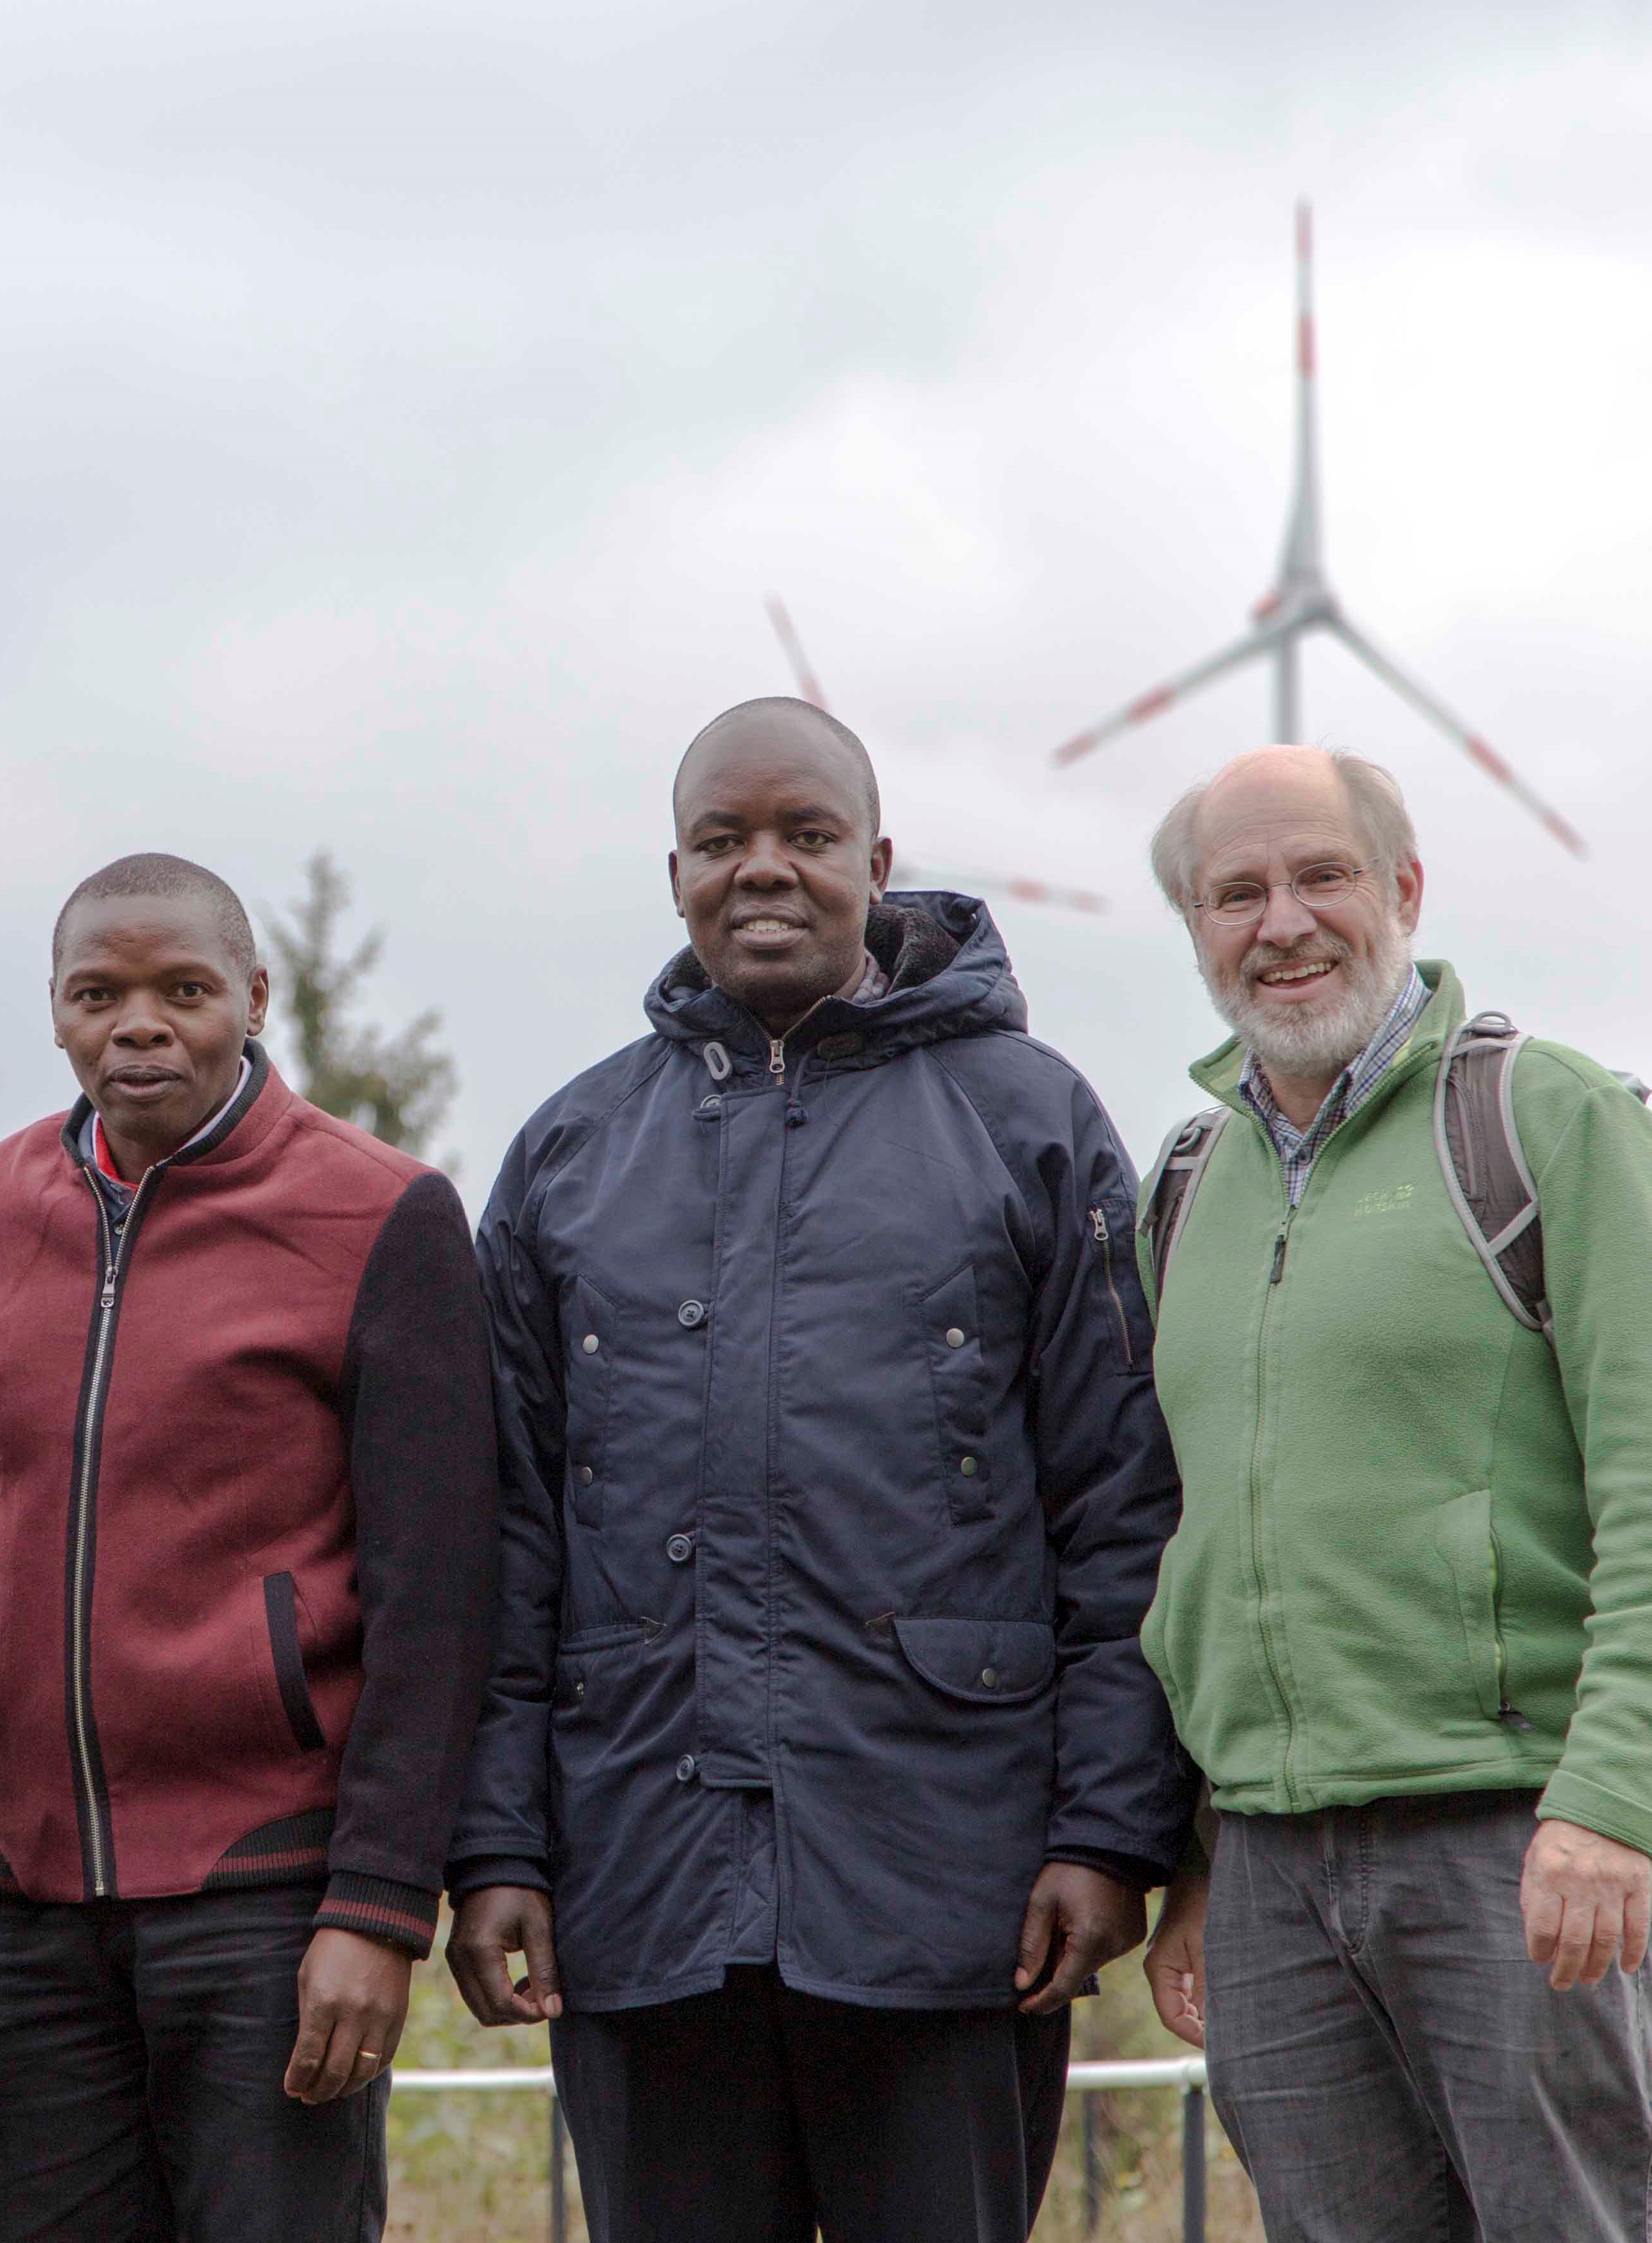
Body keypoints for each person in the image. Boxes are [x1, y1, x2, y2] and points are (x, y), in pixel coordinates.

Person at [446, 700, 1192, 2243]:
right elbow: (505, 1537)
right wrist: (497, 1845)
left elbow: (1123, 1507)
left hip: (949, 1881)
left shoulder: (1029, 1121)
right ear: (674, 873)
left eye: (806, 836)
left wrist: (1108, 1832)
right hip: (637, 1879)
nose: (764, 870)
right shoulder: (571, 1154)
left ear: (880, 861)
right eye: (724, 842)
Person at [1130, 746, 1652, 2242]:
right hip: (1270, 1869)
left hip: (1517, 1840)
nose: (1283, 923)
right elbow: (1203, 1542)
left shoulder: (1552, 1123)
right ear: (1197, 928)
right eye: (1237, 892)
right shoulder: (1189, 1188)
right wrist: (1202, 1854)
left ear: (1403, 888)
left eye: (1321, 875)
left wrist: (1608, 1806)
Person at [0, 853, 500, 2243]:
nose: (140, 1025)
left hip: (274, 1902)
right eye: (98, 993)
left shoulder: (380, 1215)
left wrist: (381, 1904)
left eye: (183, 990)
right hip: (29, 1909)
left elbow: (441, 1596)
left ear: (254, 995)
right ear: (55, 1012)